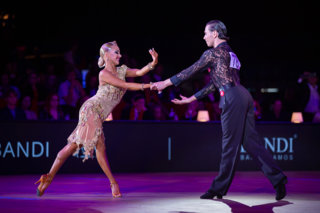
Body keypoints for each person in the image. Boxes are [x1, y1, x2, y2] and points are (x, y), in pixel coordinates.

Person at [151, 20, 287, 200]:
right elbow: (215, 83)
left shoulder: (212, 53)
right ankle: (278, 180)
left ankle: (218, 188)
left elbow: (191, 70)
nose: (204, 36)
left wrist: (165, 83)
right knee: (251, 143)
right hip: (244, 95)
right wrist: (192, 98)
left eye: (206, 32)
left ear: (215, 33)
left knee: (229, 146)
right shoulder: (231, 53)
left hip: (232, 97)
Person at [35, 41, 158, 198]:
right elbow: (124, 84)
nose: (120, 55)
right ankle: (113, 183)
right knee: (99, 146)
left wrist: (153, 63)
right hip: (91, 109)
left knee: (73, 145)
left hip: (98, 114)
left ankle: (48, 177)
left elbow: (140, 72)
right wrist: (150, 86)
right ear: (106, 55)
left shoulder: (122, 70)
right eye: (116, 52)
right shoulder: (103, 74)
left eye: (119, 52)